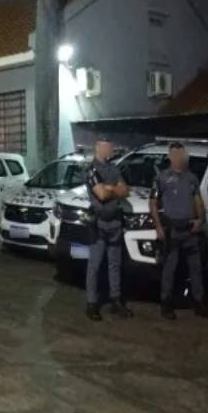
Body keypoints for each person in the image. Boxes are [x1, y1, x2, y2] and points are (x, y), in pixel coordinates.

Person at [150, 142, 208, 320]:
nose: (180, 158)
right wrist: (158, 226)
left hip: (190, 231)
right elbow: (153, 203)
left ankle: (199, 303)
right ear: (170, 157)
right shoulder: (162, 178)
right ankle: (166, 304)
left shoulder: (192, 178)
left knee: (196, 269)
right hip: (172, 230)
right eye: (176, 155)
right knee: (170, 268)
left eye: (182, 154)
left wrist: (200, 220)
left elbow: (198, 200)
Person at [85, 136, 133, 321]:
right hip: (99, 224)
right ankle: (92, 304)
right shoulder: (91, 170)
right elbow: (101, 195)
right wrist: (114, 189)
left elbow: (125, 191)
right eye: (107, 147)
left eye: (111, 147)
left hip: (115, 223)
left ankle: (116, 301)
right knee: (95, 265)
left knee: (115, 264)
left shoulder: (114, 168)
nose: (110, 150)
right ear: (98, 148)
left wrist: (108, 187)